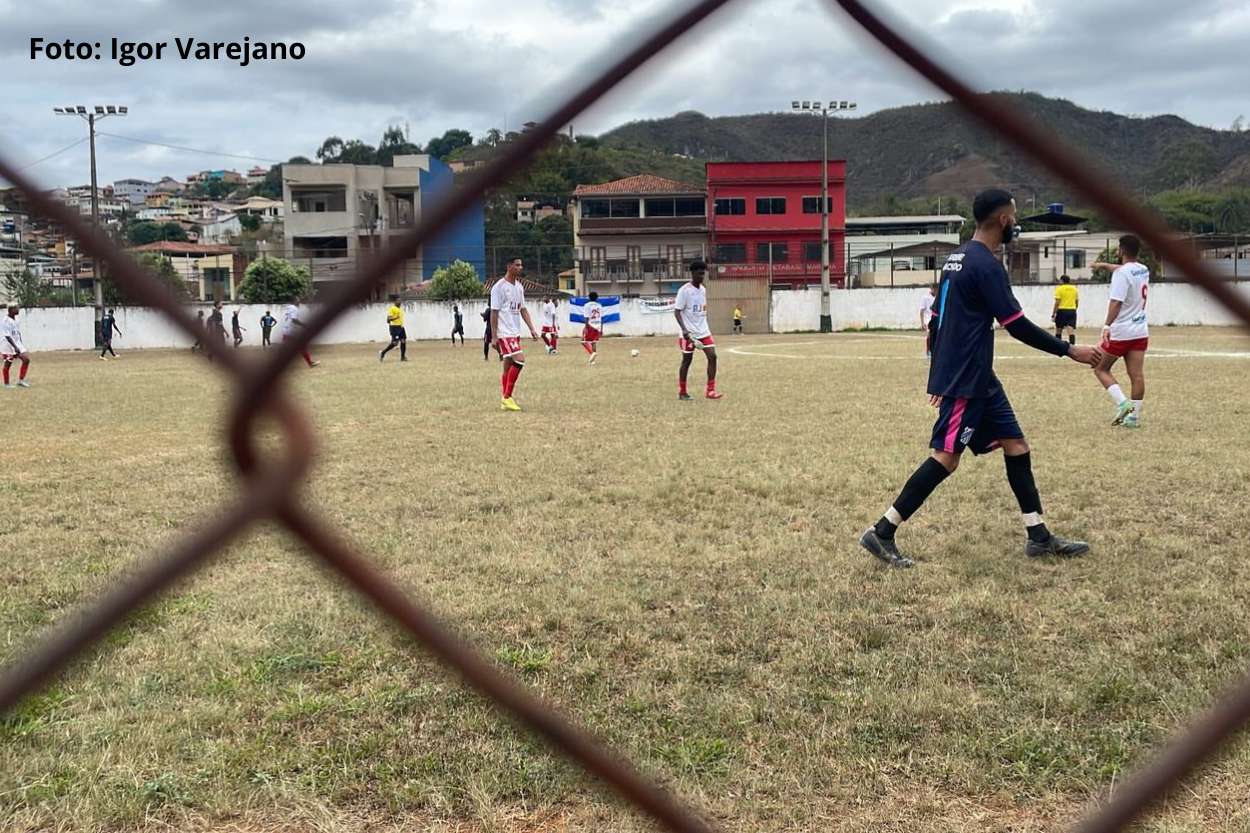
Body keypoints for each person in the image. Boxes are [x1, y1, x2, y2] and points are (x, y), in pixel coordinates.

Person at [858, 189, 1103, 569]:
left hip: (978, 377)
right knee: (947, 457)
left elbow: (938, 320)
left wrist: (936, 373)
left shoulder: (955, 259)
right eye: (1015, 216)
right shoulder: (987, 265)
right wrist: (1069, 350)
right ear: (1004, 219)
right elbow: (1017, 325)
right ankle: (882, 531)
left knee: (1016, 444)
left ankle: (1038, 536)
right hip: (967, 378)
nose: (1016, 222)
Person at [1092, 235, 1150, 428]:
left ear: (1122, 250)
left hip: (1121, 331)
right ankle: (1134, 418)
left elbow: (1116, 302)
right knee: (1137, 375)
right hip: (1140, 331)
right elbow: (1124, 270)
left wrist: (1107, 325)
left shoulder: (1121, 274)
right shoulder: (1143, 270)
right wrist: (1104, 265)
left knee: (1100, 368)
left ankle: (1123, 403)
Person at [490, 257, 540, 411]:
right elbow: (494, 312)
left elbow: (522, 309)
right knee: (520, 360)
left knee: (508, 366)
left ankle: (504, 400)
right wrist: (494, 336)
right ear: (509, 266)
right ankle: (507, 397)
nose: (520, 267)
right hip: (504, 333)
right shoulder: (498, 287)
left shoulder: (519, 287)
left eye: (521, 265)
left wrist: (531, 328)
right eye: (517, 265)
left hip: (515, 331)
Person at [674, 260, 722, 400]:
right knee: (687, 361)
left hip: (703, 331)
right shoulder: (684, 291)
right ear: (693, 273)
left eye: (703, 273)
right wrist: (684, 331)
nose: (702, 276)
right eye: (699, 274)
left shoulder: (703, 290)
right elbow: (677, 311)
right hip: (689, 333)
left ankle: (710, 391)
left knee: (712, 356)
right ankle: (682, 392)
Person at [1, 302, 32, 388]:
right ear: (11, 309)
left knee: (26, 360)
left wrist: (20, 343)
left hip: (17, 343)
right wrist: (15, 347)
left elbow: (17, 332)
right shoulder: (5, 320)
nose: (18, 310)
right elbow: (7, 335)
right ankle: (6, 384)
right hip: (8, 345)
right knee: (8, 363)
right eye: (16, 308)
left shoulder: (16, 319)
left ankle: (21, 381)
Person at [282, 301, 319, 368]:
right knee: (301, 347)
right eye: (299, 302)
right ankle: (310, 363)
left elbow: (290, 319)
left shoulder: (289, 307)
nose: (300, 303)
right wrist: (303, 325)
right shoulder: (295, 308)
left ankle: (310, 363)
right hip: (291, 332)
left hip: (286, 330)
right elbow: (294, 319)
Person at [379, 295, 408, 362]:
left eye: (400, 300)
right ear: (395, 301)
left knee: (403, 341)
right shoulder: (392, 308)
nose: (400, 302)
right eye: (398, 301)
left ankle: (402, 357)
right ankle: (383, 353)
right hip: (394, 327)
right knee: (395, 343)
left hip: (401, 327)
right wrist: (395, 317)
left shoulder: (400, 309)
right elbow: (388, 319)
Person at [1052, 274, 1078, 346]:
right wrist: (1075, 309)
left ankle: (1057, 346)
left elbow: (1057, 302)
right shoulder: (1074, 289)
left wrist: (1054, 313)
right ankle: (1072, 346)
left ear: (1062, 281)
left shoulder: (1059, 289)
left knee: (1059, 329)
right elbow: (1076, 301)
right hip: (1072, 310)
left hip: (1062, 310)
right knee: (1071, 330)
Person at [581, 291, 602, 365]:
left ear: (589, 297)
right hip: (598, 325)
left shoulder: (587, 305)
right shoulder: (599, 305)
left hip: (590, 325)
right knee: (593, 342)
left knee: (583, 341)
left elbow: (586, 317)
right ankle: (593, 361)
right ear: (597, 298)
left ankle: (592, 353)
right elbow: (601, 317)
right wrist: (601, 329)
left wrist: (586, 327)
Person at [920, 285, 937, 359]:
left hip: (936, 318)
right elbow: (921, 310)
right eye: (935, 289)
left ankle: (935, 351)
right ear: (932, 289)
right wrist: (922, 322)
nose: (936, 290)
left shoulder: (939, 297)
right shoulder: (925, 298)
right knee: (930, 334)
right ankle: (928, 351)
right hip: (928, 319)